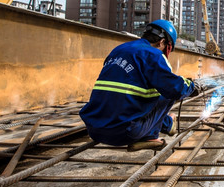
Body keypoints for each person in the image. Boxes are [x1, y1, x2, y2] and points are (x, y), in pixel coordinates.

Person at [79, 20, 199, 152]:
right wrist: (191, 87)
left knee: (142, 93)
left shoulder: (119, 50)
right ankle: (150, 136)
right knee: (167, 93)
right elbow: (174, 88)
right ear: (162, 42)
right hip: (124, 133)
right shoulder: (154, 54)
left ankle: (167, 124)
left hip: (93, 129)